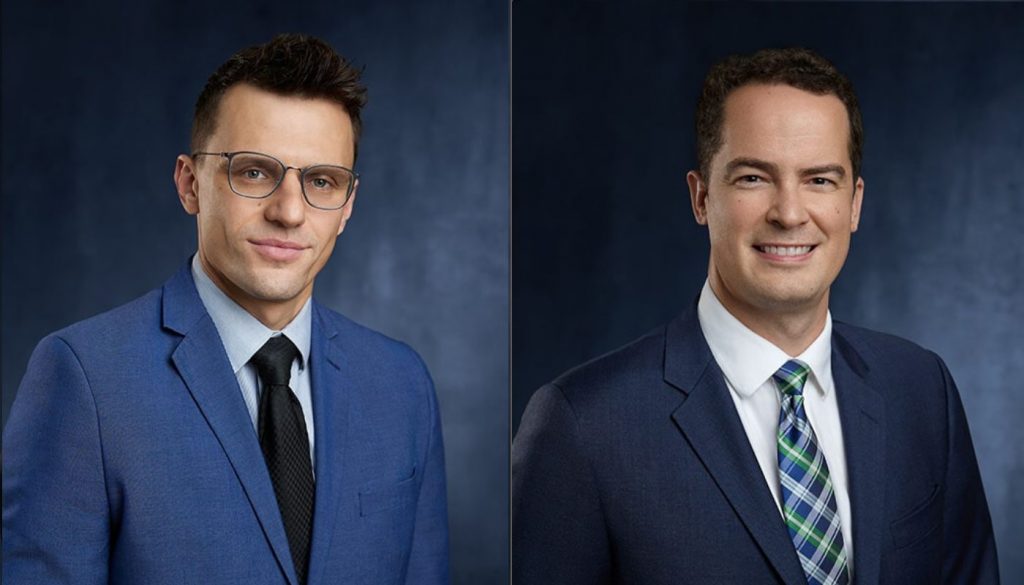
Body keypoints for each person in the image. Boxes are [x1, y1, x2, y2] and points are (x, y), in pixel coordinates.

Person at [512, 47, 998, 584]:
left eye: (819, 180)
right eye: (753, 178)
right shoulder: (582, 425)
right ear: (701, 198)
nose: (789, 213)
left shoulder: (922, 391)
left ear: (854, 204)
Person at [3, 34, 449, 585]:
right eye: (255, 172)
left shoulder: (402, 384)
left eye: (321, 181)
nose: (289, 212)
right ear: (190, 184)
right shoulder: (83, 380)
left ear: (347, 206)